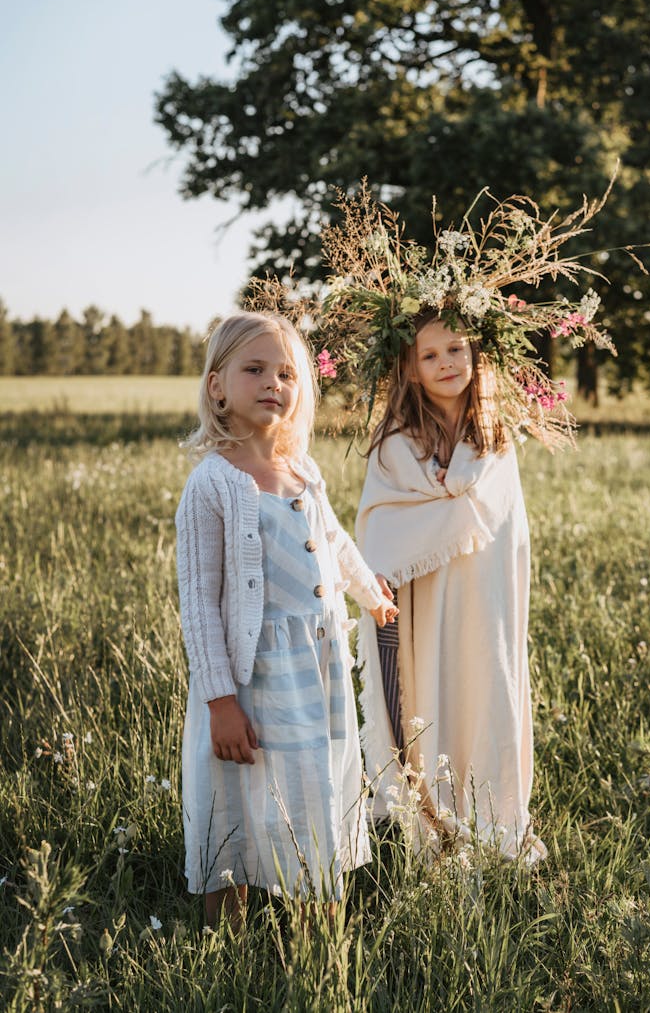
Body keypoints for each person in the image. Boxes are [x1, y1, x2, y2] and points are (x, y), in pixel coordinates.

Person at [175, 310, 397, 928]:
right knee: (236, 797)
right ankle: (227, 933)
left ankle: (317, 928)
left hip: (314, 665)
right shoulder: (213, 484)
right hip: (252, 675)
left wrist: (368, 590)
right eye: (255, 370)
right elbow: (198, 603)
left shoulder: (303, 471)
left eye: (287, 373)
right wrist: (220, 699)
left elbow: (335, 540)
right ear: (217, 385)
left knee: (312, 787)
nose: (274, 383)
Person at [355, 313, 546, 862]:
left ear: (475, 354)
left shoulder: (493, 437)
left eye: (456, 350)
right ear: (410, 370)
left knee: (483, 693)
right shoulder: (395, 444)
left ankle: (495, 822)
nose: (446, 364)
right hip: (424, 600)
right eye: (431, 355)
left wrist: (452, 506)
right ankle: (435, 827)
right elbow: (381, 523)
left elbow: (504, 525)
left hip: (483, 601)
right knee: (429, 697)